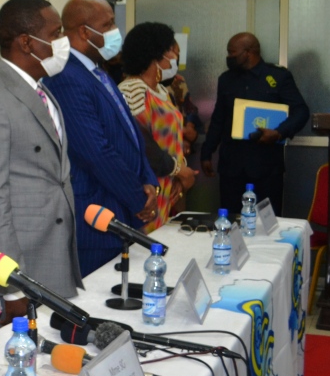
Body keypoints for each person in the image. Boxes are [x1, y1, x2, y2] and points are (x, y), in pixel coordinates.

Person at [0, 0, 83, 337]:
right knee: (15, 356)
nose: (63, 41)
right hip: (23, 265)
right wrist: (12, 286)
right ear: (27, 43)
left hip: (54, 253)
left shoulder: (41, 91)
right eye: (56, 33)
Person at [43, 0, 158, 277]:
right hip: (97, 216)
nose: (115, 31)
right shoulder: (65, 77)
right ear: (85, 32)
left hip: (122, 209)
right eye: (108, 25)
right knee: (102, 298)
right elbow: (95, 152)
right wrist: (138, 199)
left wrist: (148, 182)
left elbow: (131, 135)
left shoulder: (98, 72)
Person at [201, 32, 309, 216]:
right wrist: (206, 152)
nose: (229, 57)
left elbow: (301, 111)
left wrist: (279, 132)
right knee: (231, 221)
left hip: (266, 167)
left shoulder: (278, 77)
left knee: (267, 223)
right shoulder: (226, 79)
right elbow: (218, 119)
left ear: (248, 52)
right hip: (231, 167)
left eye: (232, 52)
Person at [118, 22, 196, 231]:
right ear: (155, 55)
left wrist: (180, 174)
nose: (175, 56)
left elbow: (171, 137)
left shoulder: (162, 91)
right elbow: (139, 143)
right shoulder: (132, 90)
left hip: (168, 186)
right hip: (146, 189)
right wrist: (179, 170)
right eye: (171, 50)